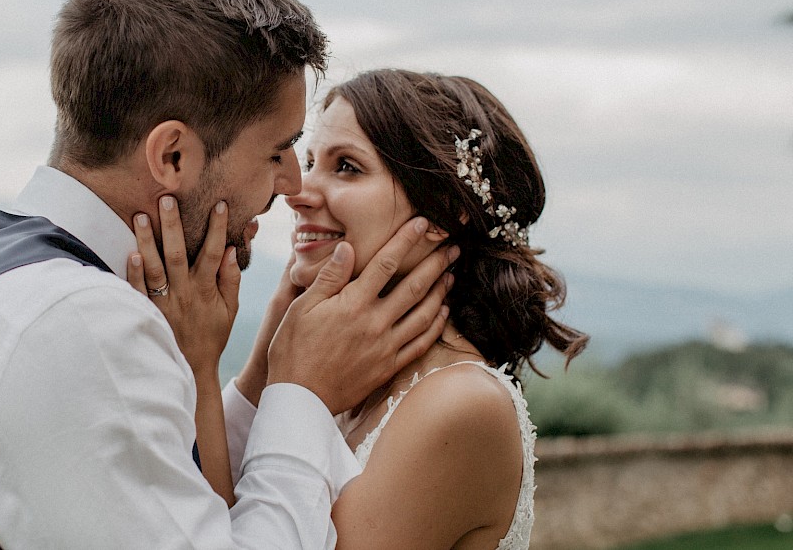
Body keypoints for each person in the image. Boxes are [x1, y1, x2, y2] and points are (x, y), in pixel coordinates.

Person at [0, 0, 457, 549]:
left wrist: (253, 376)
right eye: (278, 151)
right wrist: (303, 394)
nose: (291, 186)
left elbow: (157, 495)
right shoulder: (79, 323)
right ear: (173, 156)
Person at [133, 68, 588, 549]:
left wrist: (202, 367)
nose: (297, 192)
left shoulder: (459, 405)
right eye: (310, 161)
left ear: (442, 210)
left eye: (346, 166)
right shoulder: (352, 376)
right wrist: (259, 372)